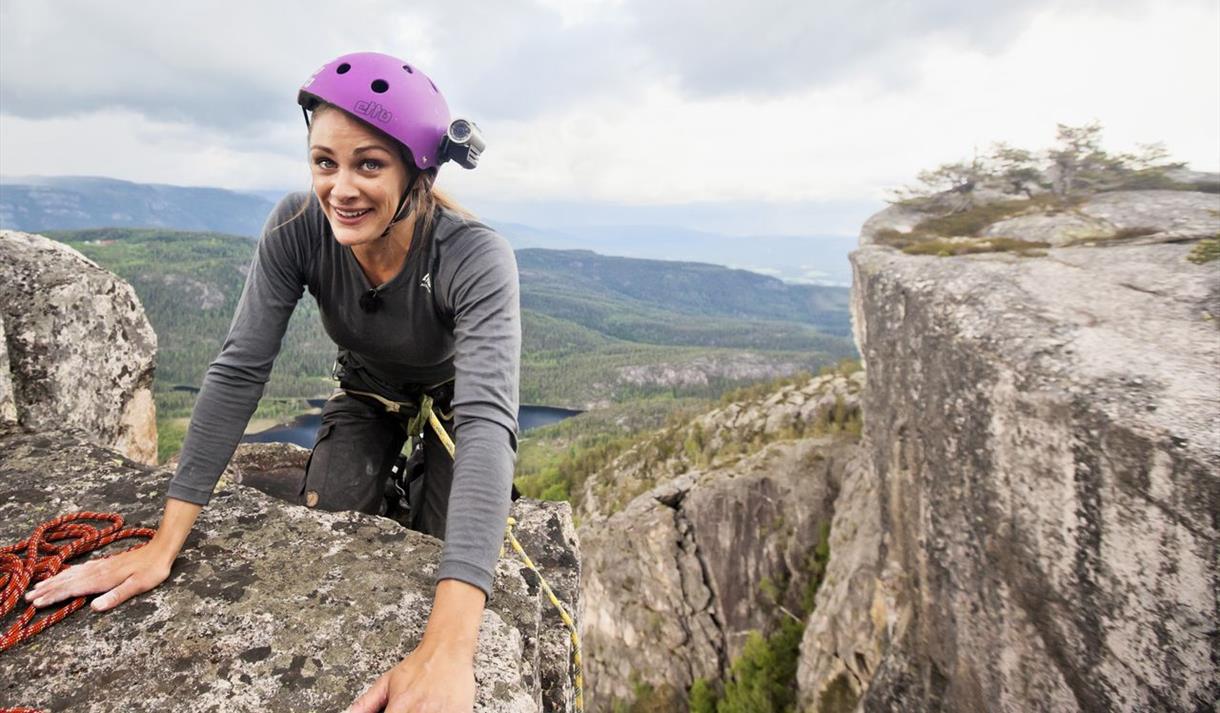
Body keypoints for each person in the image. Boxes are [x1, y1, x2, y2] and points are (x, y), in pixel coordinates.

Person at [25, 51, 521, 713]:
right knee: (336, 511)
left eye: (368, 163)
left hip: (453, 407)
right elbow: (239, 369)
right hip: (369, 391)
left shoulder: (473, 255)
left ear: (417, 170)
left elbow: (489, 424)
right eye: (325, 161)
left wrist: (450, 651)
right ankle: (383, 471)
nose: (340, 188)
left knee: (436, 546)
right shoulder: (298, 227)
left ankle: (426, 473)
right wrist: (162, 544)